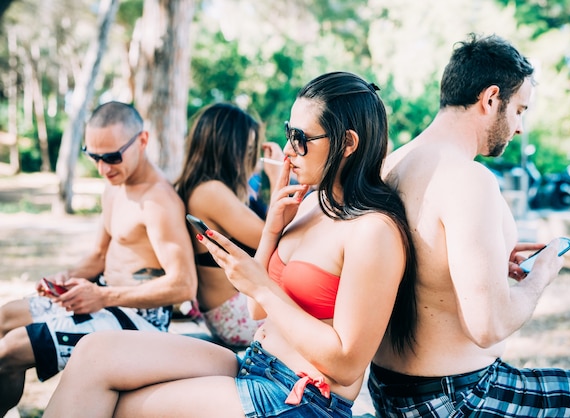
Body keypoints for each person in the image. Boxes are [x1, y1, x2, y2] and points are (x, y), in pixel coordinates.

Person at [43, 71, 418, 418]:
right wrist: (272, 229)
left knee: (120, 407)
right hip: (257, 362)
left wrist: (260, 285)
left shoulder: (374, 231)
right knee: (95, 353)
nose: (288, 151)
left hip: (300, 398)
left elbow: (347, 363)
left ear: (348, 143)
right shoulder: (308, 205)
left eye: (301, 140)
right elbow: (256, 310)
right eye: (290, 133)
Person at [369, 32, 570, 416]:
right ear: (491, 99)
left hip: (392, 390)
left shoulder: (392, 165)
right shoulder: (467, 178)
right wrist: (542, 272)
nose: (520, 126)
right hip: (457, 398)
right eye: (520, 109)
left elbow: (423, 269)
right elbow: (487, 327)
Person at [0, 101, 197, 416]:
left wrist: (103, 296)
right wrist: (64, 278)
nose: (104, 168)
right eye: (94, 157)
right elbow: (99, 255)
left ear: (142, 141)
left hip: (139, 320)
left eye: (112, 157)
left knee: (11, 349)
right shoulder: (115, 186)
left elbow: (184, 285)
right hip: (104, 298)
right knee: (5, 317)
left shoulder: (158, 200)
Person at [174, 102, 283, 347]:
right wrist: (277, 178)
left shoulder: (200, 187)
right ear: (230, 150)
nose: (253, 161)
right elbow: (276, 239)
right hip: (237, 316)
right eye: (249, 151)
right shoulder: (211, 191)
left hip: (228, 314)